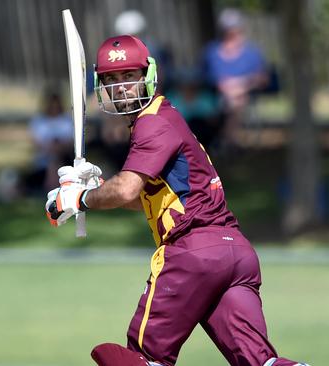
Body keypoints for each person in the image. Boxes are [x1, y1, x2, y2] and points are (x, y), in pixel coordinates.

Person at [45, 35, 309, 366]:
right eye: (111, 80)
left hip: (192, 253)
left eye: (129, 76)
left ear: (148, 75)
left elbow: (126, 189)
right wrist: (96, 187)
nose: (120, 87)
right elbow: (144, 199)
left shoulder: (152, 123)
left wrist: (79, 198)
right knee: (261, 363)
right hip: (235, 254)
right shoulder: (165, 119)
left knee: (142, 359)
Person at [202, 8, 269, 147]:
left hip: (246, 93)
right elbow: (208, 76)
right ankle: (230, 141)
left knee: (236, 100)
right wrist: (226, 87)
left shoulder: (252, 53)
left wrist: (241, 85)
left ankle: (227, 141)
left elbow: (263, 78)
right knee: (233, 100)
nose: (231, 32)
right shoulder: (212, 52)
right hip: (217, 95)